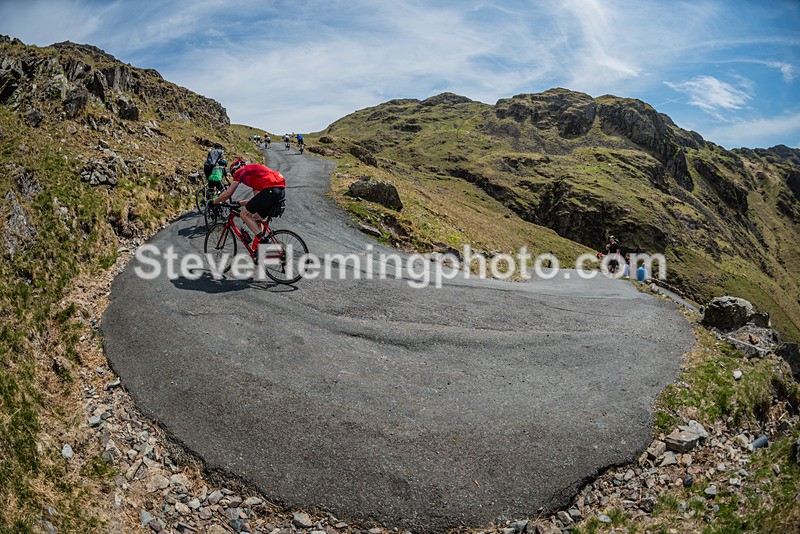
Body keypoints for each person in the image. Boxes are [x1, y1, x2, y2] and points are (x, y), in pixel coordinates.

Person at [210, 158, 286, 242]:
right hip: (280, 191)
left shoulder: (241, 170)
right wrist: (240, 203)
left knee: (244, 214)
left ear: (236, 168)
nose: (234, 176)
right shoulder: (256, 177)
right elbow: (257, 198)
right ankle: (259, 248)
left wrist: (214, 202)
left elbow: (228, 193)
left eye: (233, 173)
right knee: (256, 217)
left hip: (270, 190)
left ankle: (262, 239)